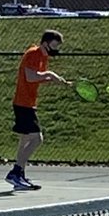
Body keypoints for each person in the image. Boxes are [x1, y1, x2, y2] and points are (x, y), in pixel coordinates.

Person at [8, 30, 71, 190]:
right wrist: (49, 74)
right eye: (54, 45)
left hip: (27, 102)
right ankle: (15, 173)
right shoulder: (34, 53)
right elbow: (30, 76)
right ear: (45, 43)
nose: (56, 49)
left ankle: (19, 174)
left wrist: (52, 79)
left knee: (25, 139)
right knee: (37, 139)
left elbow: (36, 77)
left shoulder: (43, 57)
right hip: (23, 103)